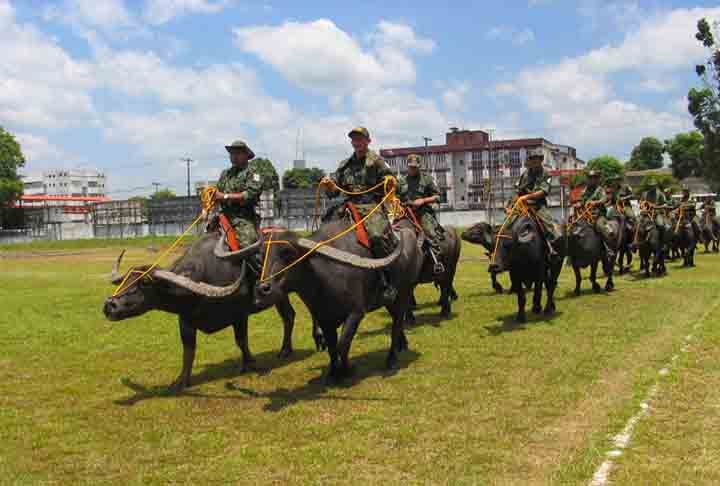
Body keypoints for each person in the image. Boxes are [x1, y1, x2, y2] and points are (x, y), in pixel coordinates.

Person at [319, 127, 398, 303]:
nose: (357, 142)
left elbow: (392, 183)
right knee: (325, 229)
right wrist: (329, 185)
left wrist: (389, 182)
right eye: (354, 139)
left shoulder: (377, 161)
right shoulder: (344, 165)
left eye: (360, 139)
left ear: (368, 141)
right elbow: (333, 193)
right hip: (348, 205)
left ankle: (386, 279)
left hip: (371, 206)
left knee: (377, 236)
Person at [509, 148, 561, 257]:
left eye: (536, 159)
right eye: (532, 159)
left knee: (549, 226)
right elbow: (517, 190)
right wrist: (510, 206)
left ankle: (552, 248)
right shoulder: (525, 174)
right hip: (523, 207)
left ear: (541, 160)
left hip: (538, 206)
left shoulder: (546, 173)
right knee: (507, 225)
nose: (534, 162)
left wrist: (526, 197)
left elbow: (543, 191)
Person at [214, 140, 263, 249]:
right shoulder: (225, 174)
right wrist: (213, 196)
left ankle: (256, 265)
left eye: (237, 153)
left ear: (245, 155)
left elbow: (250, 194)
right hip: (223, 216)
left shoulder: (254, 173)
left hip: (242, 218)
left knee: (248, 244)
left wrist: (224, 196)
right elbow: (218, 192)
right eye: (232, 153)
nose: (233, 156)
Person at [399, 154, 444, 257]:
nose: (413, 169)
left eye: (415, 167)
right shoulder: (401, 181)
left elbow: (438, 197)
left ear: (419, 166)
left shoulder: (427, 179)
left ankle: (436, 259)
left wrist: (423, 200)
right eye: (411, 167)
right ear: (407, 166)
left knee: (430, 233)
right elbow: (396, 197)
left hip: (423, 212)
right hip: (406, 213)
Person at [576, 170, 614, 257]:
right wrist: (578, 204)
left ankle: (608, 248)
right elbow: (581, 201)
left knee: (600, 226)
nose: (591, 180)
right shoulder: (585, 190)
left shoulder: (600, 189)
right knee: (575, 226)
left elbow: (604, 199)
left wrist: (595, 202)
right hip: (585, 215)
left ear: (597, 179)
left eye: (593, 178)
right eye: (589, 178)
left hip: (598, 215)